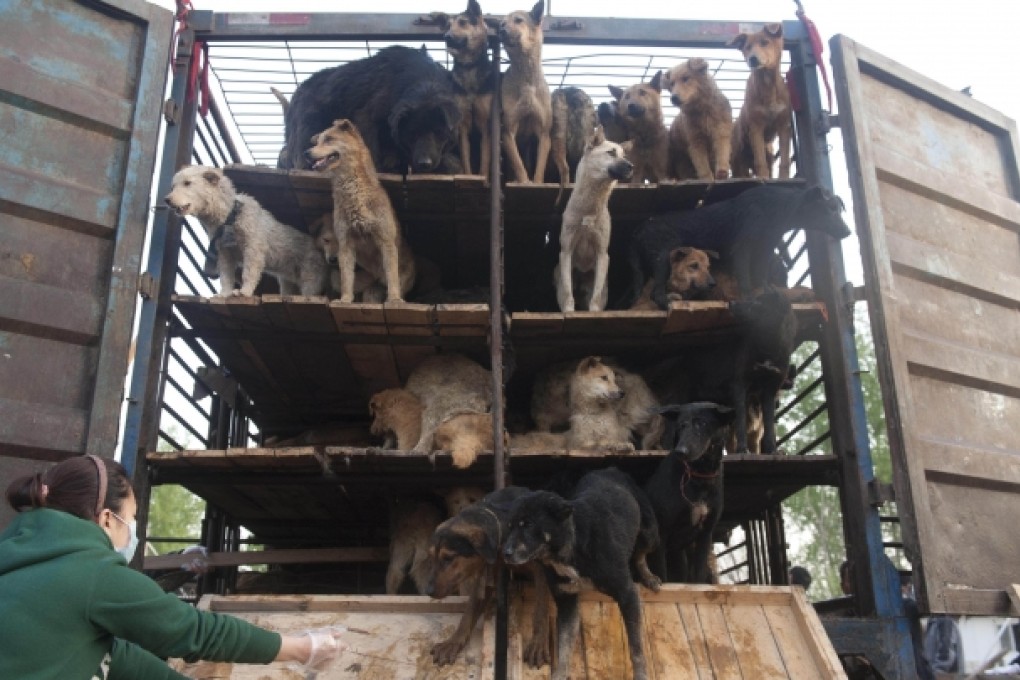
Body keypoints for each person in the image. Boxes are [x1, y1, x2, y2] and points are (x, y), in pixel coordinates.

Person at [0, 455, 344, 679]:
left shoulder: (20, 557)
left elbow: (112, 655)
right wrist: (302, 648)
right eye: (132, 518)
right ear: (107, 518)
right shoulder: (90, 573)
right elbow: (193, 631)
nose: (133, 529)